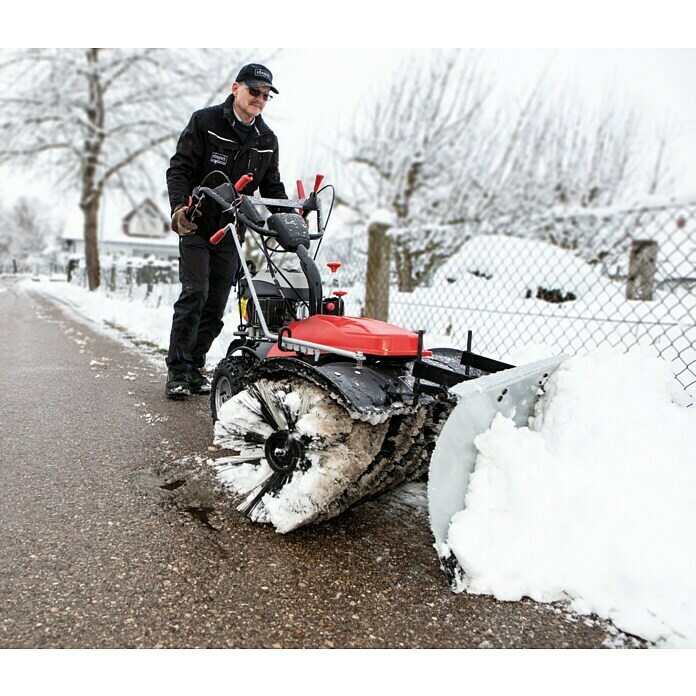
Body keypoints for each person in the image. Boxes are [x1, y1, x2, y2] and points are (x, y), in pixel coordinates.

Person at [164, 63, 287, 398]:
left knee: (217, 304)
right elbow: (179, 169)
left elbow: (272, 189)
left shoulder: (266, 140)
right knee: (195, 294)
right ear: (236, 88)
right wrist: (178, 210)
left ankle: (194, 365)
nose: (259, 100)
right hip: (197, 223)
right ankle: (177, 370)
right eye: (254, 92)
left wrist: (288, 222)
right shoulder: (205, 123)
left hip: (232, 230)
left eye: (265, 96)